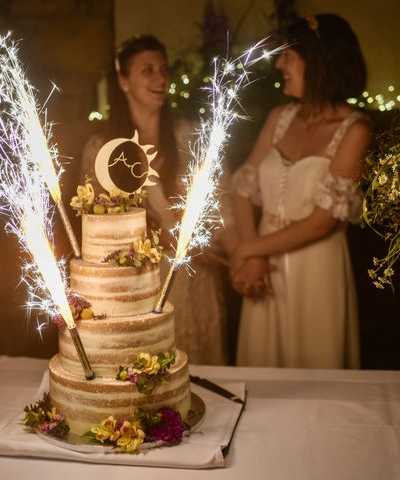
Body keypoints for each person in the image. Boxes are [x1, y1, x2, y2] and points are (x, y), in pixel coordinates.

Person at [229, 14, 372, 368]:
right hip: (262, 271)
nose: (279, 65)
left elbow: (322, 222)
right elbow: (242, 189)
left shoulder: (356, 130)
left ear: (317, 61)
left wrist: (245, 250)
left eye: (288, 56)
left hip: (316, 270)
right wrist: (257, 258)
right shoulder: (280, 117)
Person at [81, 35, 228, 365]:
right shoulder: (102, 149)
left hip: (193, 273)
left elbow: (219, 200)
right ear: (123, 81)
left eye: (163, 69)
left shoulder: (190, 136)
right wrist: (161, 238)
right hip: (140, 280)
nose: (161, 79)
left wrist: (207, 240)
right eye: (147, 70)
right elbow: (100, 226)